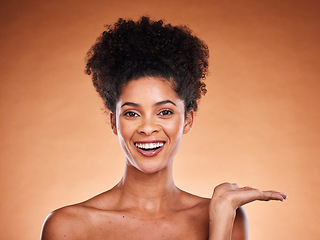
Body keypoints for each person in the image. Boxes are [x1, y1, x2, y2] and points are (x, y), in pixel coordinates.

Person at [41, 16, 287, 240]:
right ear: (114, 122)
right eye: (132, 113)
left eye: (165, 112)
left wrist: (222, 217)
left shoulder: (226, 215)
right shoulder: (67, 227)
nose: (148, 128)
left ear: (188, 119)